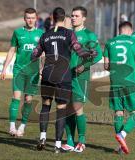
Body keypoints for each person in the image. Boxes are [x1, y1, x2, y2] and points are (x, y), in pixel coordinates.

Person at [31, 7, 97, 153]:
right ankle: (58, 145)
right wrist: (89, 53)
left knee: (46, 106)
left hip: (47, 74)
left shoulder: (45, 35)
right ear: (64, 18)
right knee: (61, 110)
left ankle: (42, 136)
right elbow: (79, 50)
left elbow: (34, 54)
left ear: (52, 18)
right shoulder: (69, 33)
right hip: (63, 76)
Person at [61, 6, 102, 153]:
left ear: (84, 18)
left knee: (78, 109)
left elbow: (97, 55)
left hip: (80, 77)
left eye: (76, 16)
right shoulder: (66, 34)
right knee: (67, 110)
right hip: (66, 77)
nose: (73, 18)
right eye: (72, 15)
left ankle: (82, 141)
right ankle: (70, 141)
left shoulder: (89, 35)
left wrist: (84, 67)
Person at [104, 21, 135, 154]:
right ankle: (122, 134)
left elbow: (106, 66)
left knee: (118, 112)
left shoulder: (109, 42)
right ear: (130, 30)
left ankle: (119, 147)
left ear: (120, 30)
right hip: (131, 81)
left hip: (115, 81)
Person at [0, 8, 44, 137]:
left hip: (34, 72)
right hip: (19, 70)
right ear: (24, 19)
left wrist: (42, 68)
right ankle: (12, 127)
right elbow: (12, 50)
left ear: (36, 19)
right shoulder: (18, 32)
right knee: (16, 98)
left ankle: (22, 126)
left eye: (32, 18)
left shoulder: (41, 34)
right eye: (28, 18)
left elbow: (44, 54)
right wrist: (4, 68)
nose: (30, 20)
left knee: (28, 100)